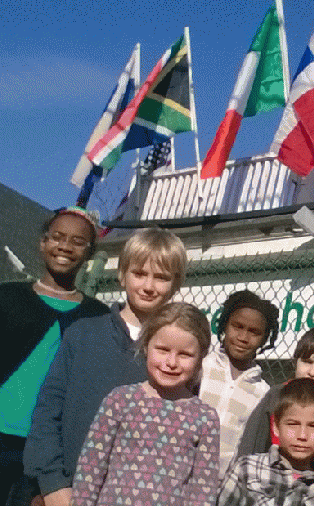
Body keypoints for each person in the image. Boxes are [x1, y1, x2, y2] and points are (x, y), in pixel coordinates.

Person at [23, 228, 187, 506]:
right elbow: (48, 410)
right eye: (139, 273)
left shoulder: (178, 357)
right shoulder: (83, 333)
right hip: (65, 490)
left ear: (176, 284)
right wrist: (53, 486)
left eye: (161, 277)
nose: (148, 286)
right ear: (122, 274)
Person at [0, 207, 109, 505]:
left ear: (89, 253)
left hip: (47, 450)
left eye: (77, 241)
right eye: (57, 237)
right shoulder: (7, 298)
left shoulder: (98, 317)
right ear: (43, 243)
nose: (65, 246)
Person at [71, 302, 220, 506]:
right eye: (162, 349)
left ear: (200, 357)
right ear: (146, 346)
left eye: (184, 354)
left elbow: (203, 492)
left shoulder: (205, 418)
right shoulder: (120, 401)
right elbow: (90, 469)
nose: (171, 362)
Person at [238, 325, 314, 475]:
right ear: (295, 362)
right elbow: (252, 444)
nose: (312, 372)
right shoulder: (278, 395)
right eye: (307, 362)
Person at [198, 290, 279, 477]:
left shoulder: (262, 392)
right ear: (225, 325)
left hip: (223, 484)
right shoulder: (201, 368)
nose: (243, 337)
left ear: (265, 338)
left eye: (254, 332)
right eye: (238, 326)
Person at [218, 378, 314, 506]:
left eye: (313, 426)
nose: (302, 435)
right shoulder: (247, 469)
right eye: (292, 424)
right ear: (276, 427)